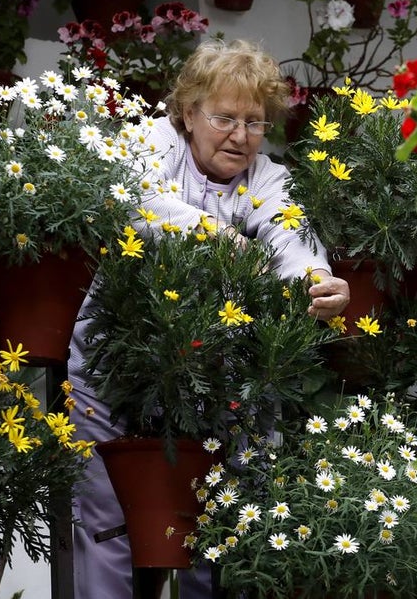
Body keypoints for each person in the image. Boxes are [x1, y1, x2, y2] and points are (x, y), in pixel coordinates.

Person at [68, 38, 351, 599]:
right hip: (115, 368)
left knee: (218, 526)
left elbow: (289, 233)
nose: (240, 136)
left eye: (254, 122)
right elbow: (136, 200)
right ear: (188, 112)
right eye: (224, 118)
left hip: (217, 375)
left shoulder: (267, 176)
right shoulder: (152, 142)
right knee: (107, 521)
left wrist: (317, 280)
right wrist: (221, 238)